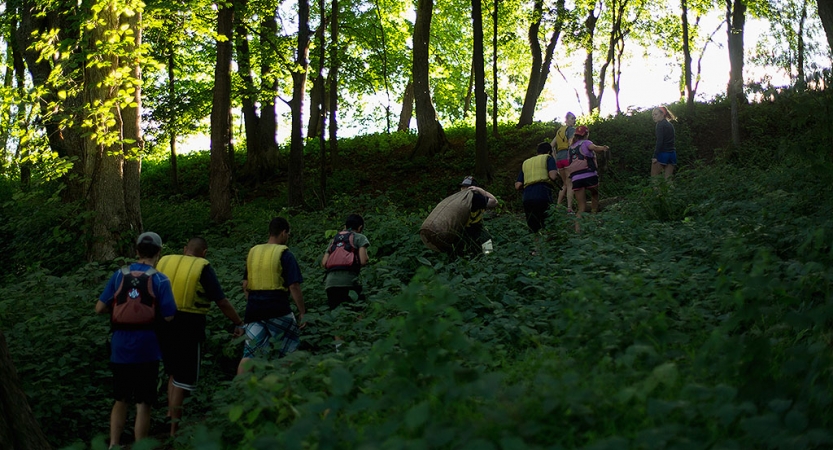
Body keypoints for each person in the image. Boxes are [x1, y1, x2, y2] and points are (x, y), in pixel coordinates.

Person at [155, 237, 245, 436]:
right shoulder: (201, 267)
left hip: (161, 322)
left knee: (172, 371)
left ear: (184, 249)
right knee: (183, 378)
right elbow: (221, 301)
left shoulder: (165, 261)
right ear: (204, 252)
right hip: (188, 324)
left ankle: (170, 414)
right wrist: (238, 322)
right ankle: (174, 432)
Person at [95, 232, 177, 449]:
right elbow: (169, 315)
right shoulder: (160, 279)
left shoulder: (119, 275)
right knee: (143, 403)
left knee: (120, 398)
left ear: (137, 251)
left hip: (120, 345)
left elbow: (99, 308)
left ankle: (114, 444)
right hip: (147, 347)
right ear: (159, 252)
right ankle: (140, 446)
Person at [237, 217, 306, 375]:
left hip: (253, 311)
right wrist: (302, 311)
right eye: (288, 234)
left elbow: (245, 285)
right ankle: (285, 389)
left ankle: (240, 391)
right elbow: (294, 286)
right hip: (278, 309)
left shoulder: (253, 252)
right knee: (288, 351)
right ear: (283, 233)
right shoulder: (285, 254)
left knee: (250, 353)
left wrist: (253, 301)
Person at [321, 214, 370, 311]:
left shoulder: (334, 239)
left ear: (345, 226)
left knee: (336, 316)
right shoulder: (360, 237)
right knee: (356, 314)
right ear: (360, 227)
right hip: (349, 282)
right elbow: (363, 261)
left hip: (330, 283)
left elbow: (324, 263)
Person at [567, 126, 610, 231]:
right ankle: (594, 219)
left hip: (576, 178)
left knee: (581, 206)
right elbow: (594, 148)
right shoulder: (586, 143)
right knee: (594, 194)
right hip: (589, 174)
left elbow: (569, 163)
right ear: (586, 134)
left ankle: (577, 230)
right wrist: (604, 148)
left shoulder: (571, 148)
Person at [515, 142, 558, 233]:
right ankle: (548, 244)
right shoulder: (548, 158)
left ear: (537, 152)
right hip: (543, 193)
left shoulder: (526, 162)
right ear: (549, 151)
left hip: (527, 197)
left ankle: (536, 246)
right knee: (547, 224)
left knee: (534, 227)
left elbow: (518, 185)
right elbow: (553, 176)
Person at [458, 176, 499, 255]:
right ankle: (488, 258)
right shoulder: (477, 199)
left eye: (465, 187)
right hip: (473, 229)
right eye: (463, 187)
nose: (463, 189)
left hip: (461, 230)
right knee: (486, 241)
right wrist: (480, 190)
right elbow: (495, 201)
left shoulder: (458, 199)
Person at [550, 112, 577, 213]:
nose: (574, 120)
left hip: (559, 160)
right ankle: (569, 208)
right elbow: (570, 143)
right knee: (570, 184)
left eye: (574, 118)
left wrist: (555, 157)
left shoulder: (559, 131)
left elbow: (551, 145)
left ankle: (558, 206)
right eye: (572, 118)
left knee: (565, 184)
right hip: (567, 158)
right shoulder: (571, 130)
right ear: (566, 119)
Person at [651, 105, 677, 179]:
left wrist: (655, 156)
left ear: (662, 114)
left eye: (656, 114)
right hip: (672, 154)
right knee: (668, 180)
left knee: (654, 179)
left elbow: (660, 141)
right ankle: (672, 191)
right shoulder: (670, 125)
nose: (654, 117)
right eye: (653, 115)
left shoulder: (659, 125)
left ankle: (656, 191)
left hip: (663, 154)